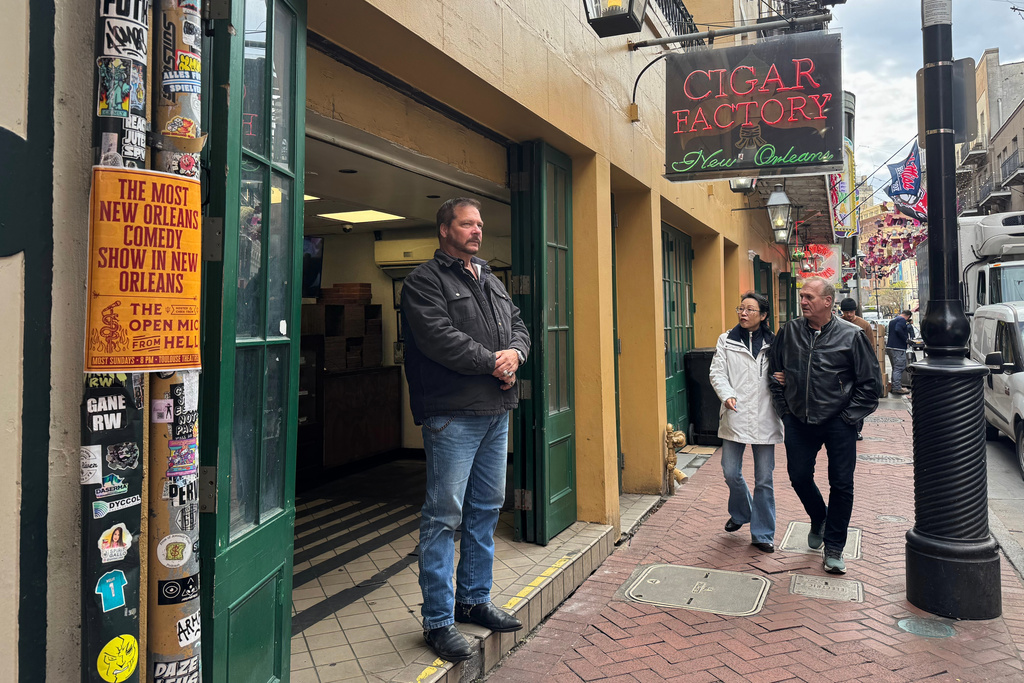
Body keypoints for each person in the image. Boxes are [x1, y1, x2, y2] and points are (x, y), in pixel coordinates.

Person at [401, 198, 531, 662]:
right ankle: (438, 621)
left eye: (479, 224)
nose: (477, 231)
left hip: (497, 410)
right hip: (452, 415)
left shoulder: (491, 279)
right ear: (444, 229)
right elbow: (438, 338)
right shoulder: (424, 281)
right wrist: (493, 363)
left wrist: (515, 354)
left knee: (486, 510)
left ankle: (473, 599)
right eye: (466, 224)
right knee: (443, 517)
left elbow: (519, 326)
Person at [769, 277, 881, 574]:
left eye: (809, 297)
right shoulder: (789, 331)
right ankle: (819, 516)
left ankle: (834, 547)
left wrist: (847, 418)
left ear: (828, 301)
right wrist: (786, 412)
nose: (803, 301)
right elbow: (774, 373)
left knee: (842, 485)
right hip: (799, 419)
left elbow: (871, 385)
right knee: (798, 476)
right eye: (802, 297)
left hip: (838, 422)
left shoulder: (852, 336)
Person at [709, 292, 783, 553]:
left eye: (750, 310)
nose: (743, 313)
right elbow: (717, 372)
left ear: (763, 316)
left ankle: (763, 533)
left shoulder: (774, 343)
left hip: (765, 416)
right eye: (740, 308)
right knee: (730, 472)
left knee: (764, 479)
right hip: (735, 413)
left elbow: (787, 372)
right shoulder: (726, 340)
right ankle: (742, 512)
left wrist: (785, 378)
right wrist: (727, 395)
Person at [839, 298, 874, 441]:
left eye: (851, 311)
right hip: (843, 367)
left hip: (860, 367)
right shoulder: (837, 323)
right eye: (846, 312)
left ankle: (858, 429)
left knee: (858, 398)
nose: (849, 315)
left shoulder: (864, 325)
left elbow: (871, 347)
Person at [886, 310, 913, 395]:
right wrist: (906, 339)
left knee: (895, 368)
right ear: (908, 316)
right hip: (898, 348)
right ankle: (897, 388)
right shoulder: (901, 320)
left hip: (890, 347)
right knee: (899, 368)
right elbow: (898, 329)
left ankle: (894, 385)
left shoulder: (893, 320)